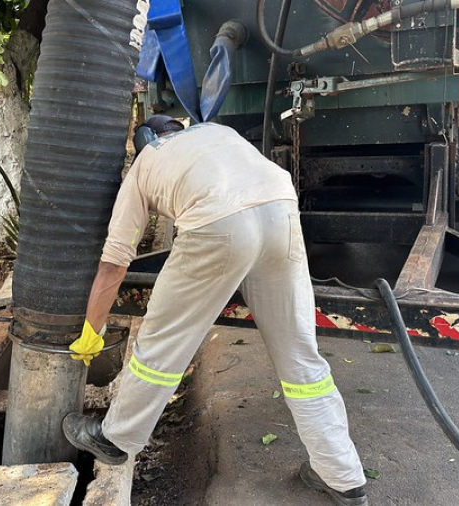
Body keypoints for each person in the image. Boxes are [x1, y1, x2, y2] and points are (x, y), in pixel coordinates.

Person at [63, 115, 369, 505]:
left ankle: (116, 437)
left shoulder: (144, 163)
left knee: (162, 341)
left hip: (215, 223)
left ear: (145, 139)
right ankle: (342, 475)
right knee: (301, 358)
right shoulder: (218, 132)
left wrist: (93, 328)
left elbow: (115, 262)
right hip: (281, 212)